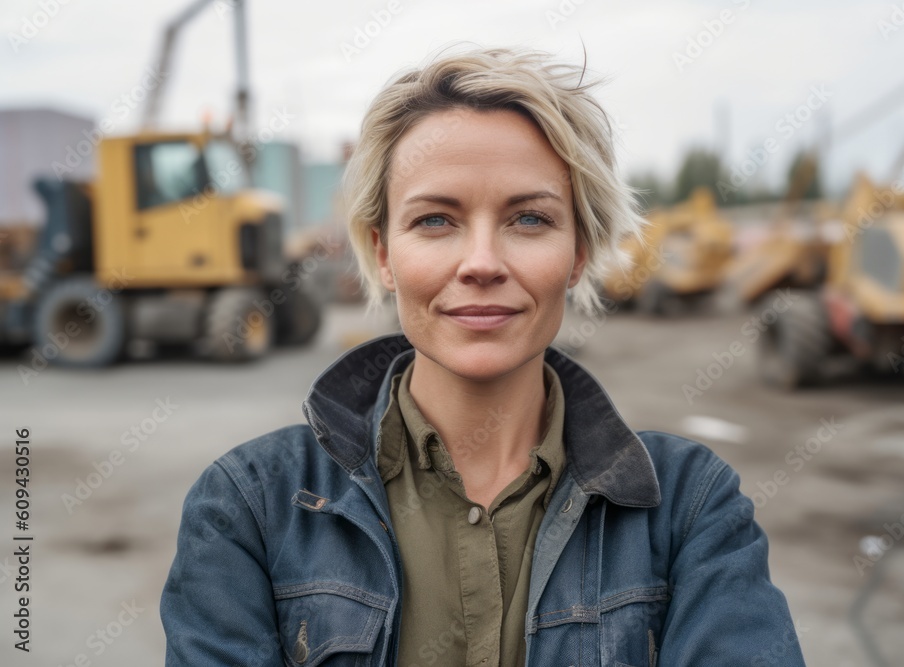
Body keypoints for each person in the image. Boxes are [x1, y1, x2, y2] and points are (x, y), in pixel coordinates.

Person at [160, 46, 806, 666]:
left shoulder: (690, 508)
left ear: (579, 251)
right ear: (384, 255)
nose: (481, 264)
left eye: (529, 219)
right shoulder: (249, 508)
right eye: (436, 220)